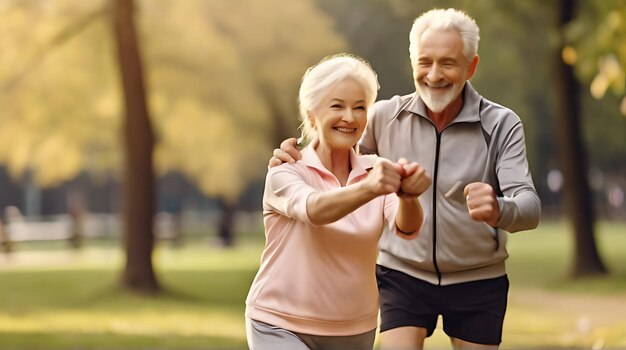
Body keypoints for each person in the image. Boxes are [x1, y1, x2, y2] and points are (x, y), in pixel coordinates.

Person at [270, 8, 541, 350]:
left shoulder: (501, 124)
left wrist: (499, 208)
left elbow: (530, 207)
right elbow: (334, 151)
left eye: (448, 63)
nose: (434, 75)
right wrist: (292, 153)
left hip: (478, 280)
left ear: (471, 66)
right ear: (412, 61)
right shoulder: (383, 117)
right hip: (402, 275)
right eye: (425, 62)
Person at [245, 54, 432, 350]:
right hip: (279, 323)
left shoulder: (376, 169)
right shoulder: (286, 170)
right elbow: (314, 209)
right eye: (337, 106)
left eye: (360, 107)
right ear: (311, 115)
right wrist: (370, 189)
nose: (350, 117)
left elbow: (407, 229)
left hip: (355, 326)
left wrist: (408, 197)